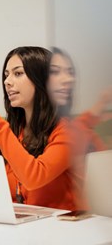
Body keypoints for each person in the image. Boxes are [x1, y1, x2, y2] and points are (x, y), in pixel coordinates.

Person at [0, 46, 78, 210]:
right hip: (18, 227)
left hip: (62, 228)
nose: (7, 82)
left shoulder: (68, 133)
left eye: (18, 73)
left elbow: (34, 177)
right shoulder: (8, 132)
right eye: (6, 75)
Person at [48, 47, 112, 208]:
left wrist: (101, 104)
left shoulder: (76, 129)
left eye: (70, 72)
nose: (68, 79)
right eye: (55, 72)